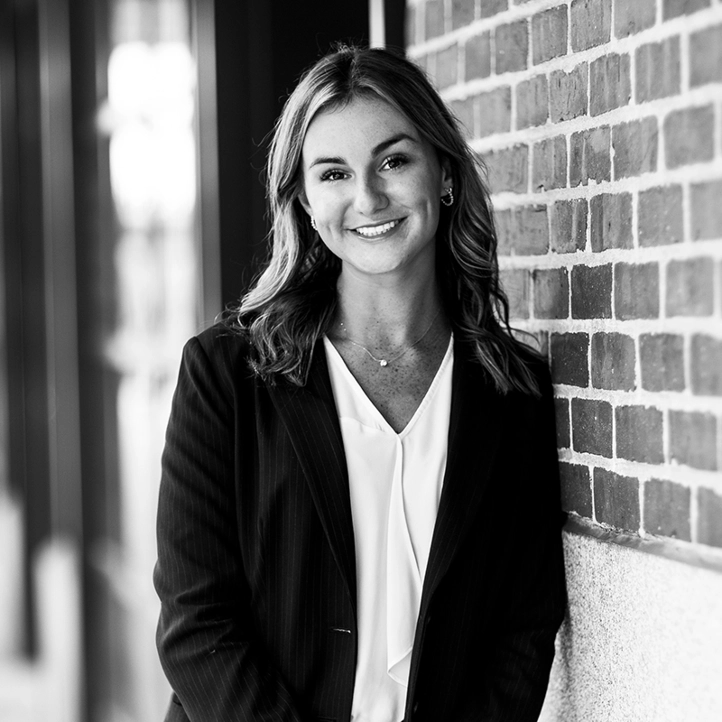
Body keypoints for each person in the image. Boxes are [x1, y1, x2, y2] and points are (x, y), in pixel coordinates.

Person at [154, 44, 566, 722]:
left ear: (444, 175)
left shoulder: (512, 392)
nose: (368, 197)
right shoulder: (224, 376)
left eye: (394, 160)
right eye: (334, 173)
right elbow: (196, 623)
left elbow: (523, 627)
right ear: (306, 202)